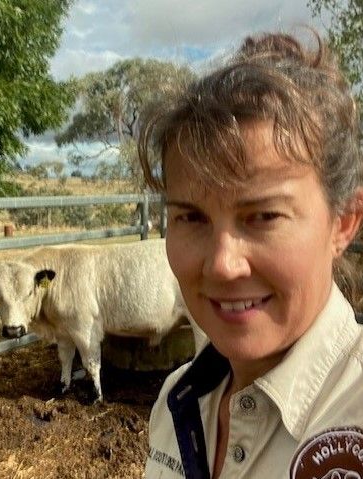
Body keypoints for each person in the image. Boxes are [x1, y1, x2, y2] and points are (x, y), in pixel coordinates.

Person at [138, 29, 363, 479]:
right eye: (191, 218)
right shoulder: (175, 403)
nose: (222, 263)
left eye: (263, 217)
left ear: (343, 222)